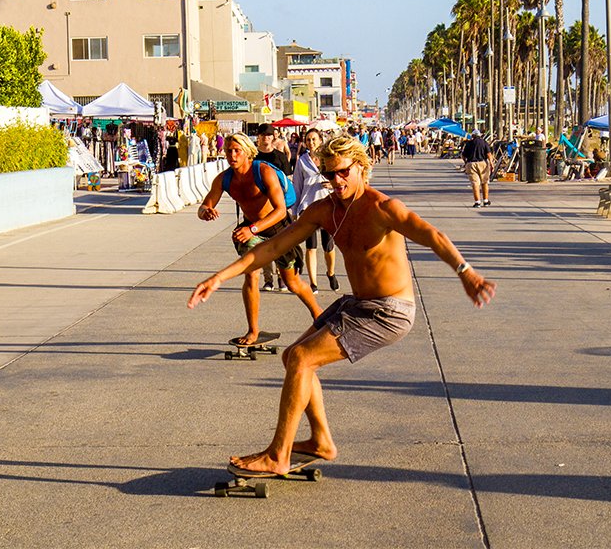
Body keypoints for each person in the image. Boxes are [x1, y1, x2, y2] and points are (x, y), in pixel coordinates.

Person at [189, 135, 495, 474]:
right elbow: (272, 248)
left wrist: (465, 272)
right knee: (293, 356)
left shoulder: (383, 208)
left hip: (389, 311)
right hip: (357, 304)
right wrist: (219, 277)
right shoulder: (325, 210)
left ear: (362, 168)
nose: (336, 181)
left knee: (303, 359)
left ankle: (279, 454)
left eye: (343, 173)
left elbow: (432, 235)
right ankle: (321, 440)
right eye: (329, 175)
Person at [196, 133, 321, 345]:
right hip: (251, 230)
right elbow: (205, 205)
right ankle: (253, 331)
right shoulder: (225, 179)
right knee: (251, 274)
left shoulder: (264, 172)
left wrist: (253, 228)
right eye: (228, 151)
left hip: (278, 229)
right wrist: (205, 212)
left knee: (292, 282)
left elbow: (281, 211)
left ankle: (320, 317)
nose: (232, 156)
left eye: (237, 151)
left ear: (247, 152)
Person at [292, 128, 340, 294]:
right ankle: (313, 283)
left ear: (320, 140)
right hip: (308, 207)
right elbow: (297, 186)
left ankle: (331, 272)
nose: (310, 143)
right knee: (310, 247)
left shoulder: (329, 158)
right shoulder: (302, 161)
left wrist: (332, 185)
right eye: (308, 140)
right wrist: (295, 210)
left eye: (313, 139)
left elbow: (340, 179)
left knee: (328, 247)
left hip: (328, 206)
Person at [256, 124, 292, 292]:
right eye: (263, 135)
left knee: (279, 242)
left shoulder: (280, 157)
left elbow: (288, 180)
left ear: (273, 137)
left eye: (269, 135)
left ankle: (281, 277)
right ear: (259, 137)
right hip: (258, 207)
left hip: (279, 206)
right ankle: (268, 279)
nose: (266, 138)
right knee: (262, 244)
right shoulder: (253, 157)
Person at [461, 129, 492, 207]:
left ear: (473, 136)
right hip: (483, 163)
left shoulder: (469, 144)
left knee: (475, 183)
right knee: (484, 182)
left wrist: (465, 162)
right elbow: (488, 154)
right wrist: (491, 163)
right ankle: (485, 200)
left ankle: (477, 202)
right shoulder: (484, 142)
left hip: (471, 164)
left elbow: (463, 155)